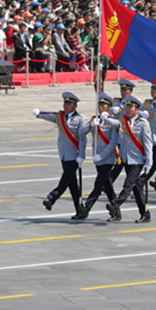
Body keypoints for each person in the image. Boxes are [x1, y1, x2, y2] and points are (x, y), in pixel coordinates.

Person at [33, 92, 88, 220]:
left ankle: (52, 198)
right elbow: (50, 116)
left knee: (65, 180)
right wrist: (39, 114)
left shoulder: (80, 119)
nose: (66, 105)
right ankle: (81, 210)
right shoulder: (60, 116)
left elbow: (83, 139)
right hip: (64, 155)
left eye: (69, 103)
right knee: (72, 184)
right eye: (65, 103)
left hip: (74, 156)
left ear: (75, 106)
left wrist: (81, 155)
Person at [106, 95, 154, 223]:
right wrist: (105, 118)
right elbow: (116, 124)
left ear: (137, 109)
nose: (127, 109)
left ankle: (115, 204)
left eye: (130, 107)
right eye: (126, 107)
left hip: (137, 160)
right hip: (126, 159)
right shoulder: (123, 121)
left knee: (128, 185)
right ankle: (145, 213)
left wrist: (149, 162)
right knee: (137, 187)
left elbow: (148, 143)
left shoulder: (143, 123)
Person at [79, 93, 120, 217]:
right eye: (99, 104)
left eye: (103, 105)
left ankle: (87, 208)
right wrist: (90, 125)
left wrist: (102, 156)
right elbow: (81, 132)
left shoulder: (112, 121)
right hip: (98, 159)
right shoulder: (94, 120)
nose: (100, 107)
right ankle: (116, 211)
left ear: (108, 107)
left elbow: (113, 143)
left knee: (99, 184)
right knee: (107, 186)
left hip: (108, 158)